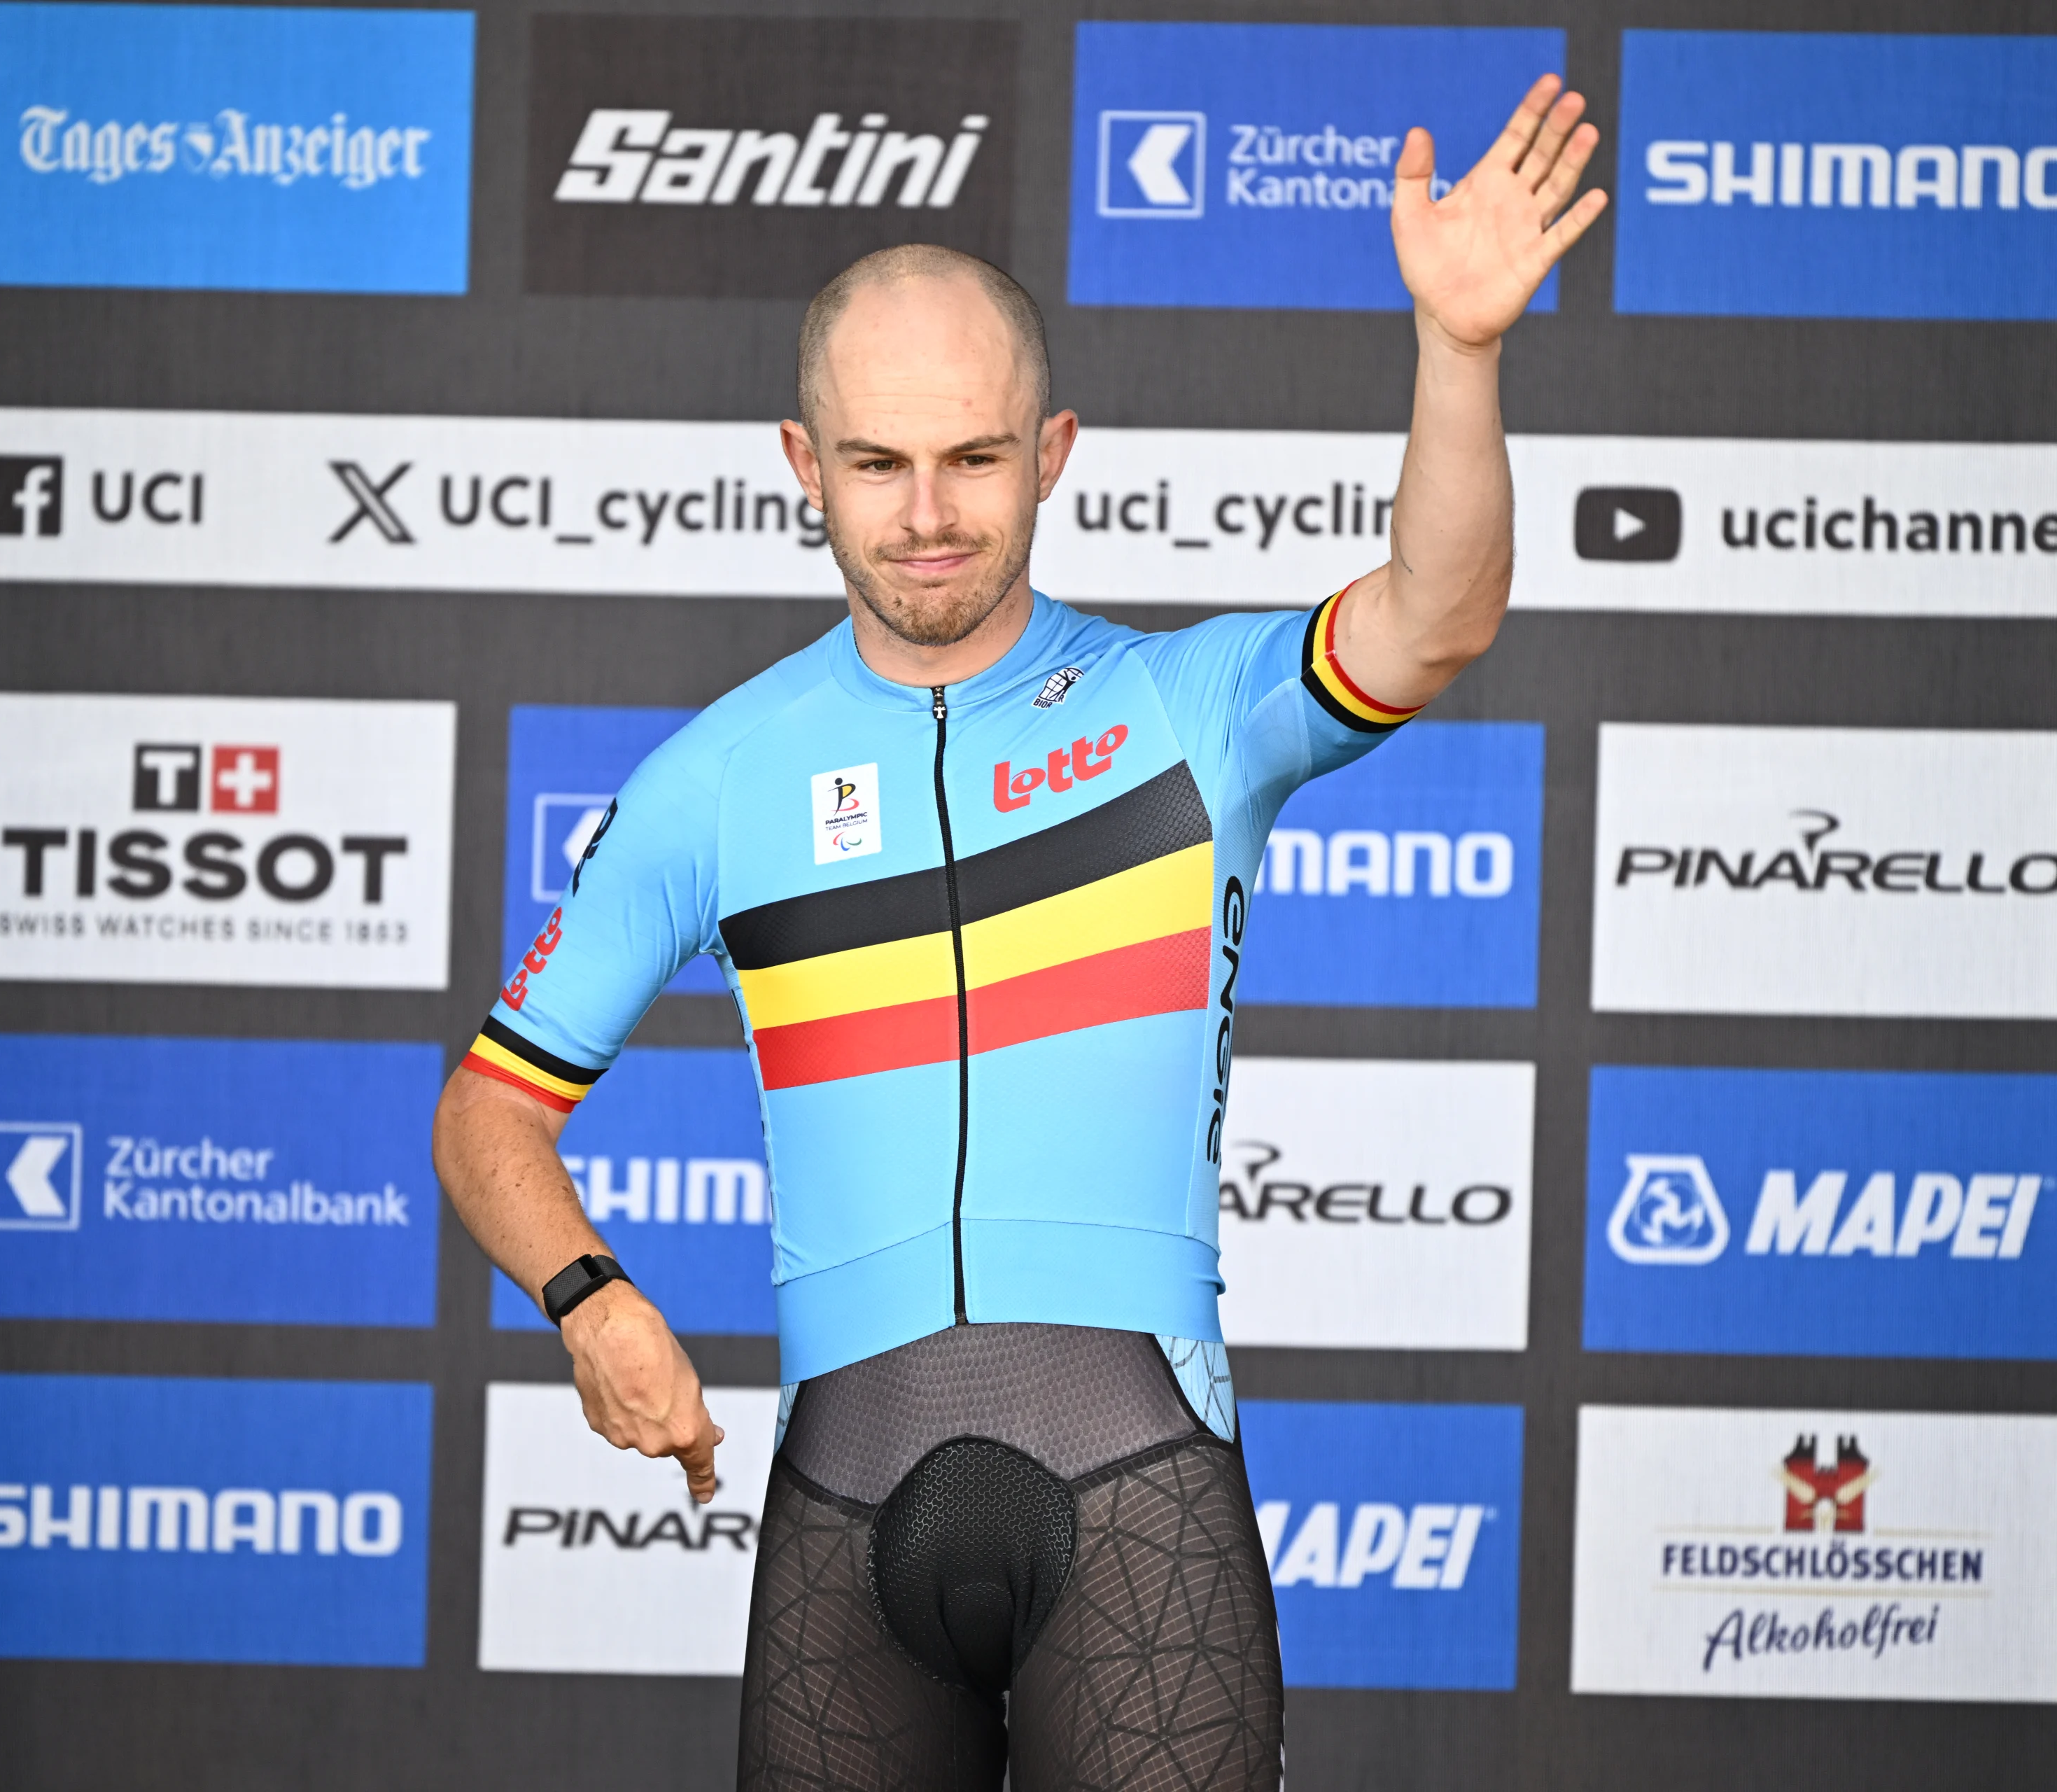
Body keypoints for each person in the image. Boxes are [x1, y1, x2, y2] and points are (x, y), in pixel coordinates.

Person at [433, 76, 1604, 1792]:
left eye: (976, 457)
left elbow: (1437, 610)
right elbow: (490, 1108)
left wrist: (1461, 350)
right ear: (801, 464)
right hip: (844, 1504)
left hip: (1138, 1493)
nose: (927, 512)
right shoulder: (715, 779)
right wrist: (592, 1298)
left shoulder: (1187, 710)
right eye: (879, 462)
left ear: (1051, 453)